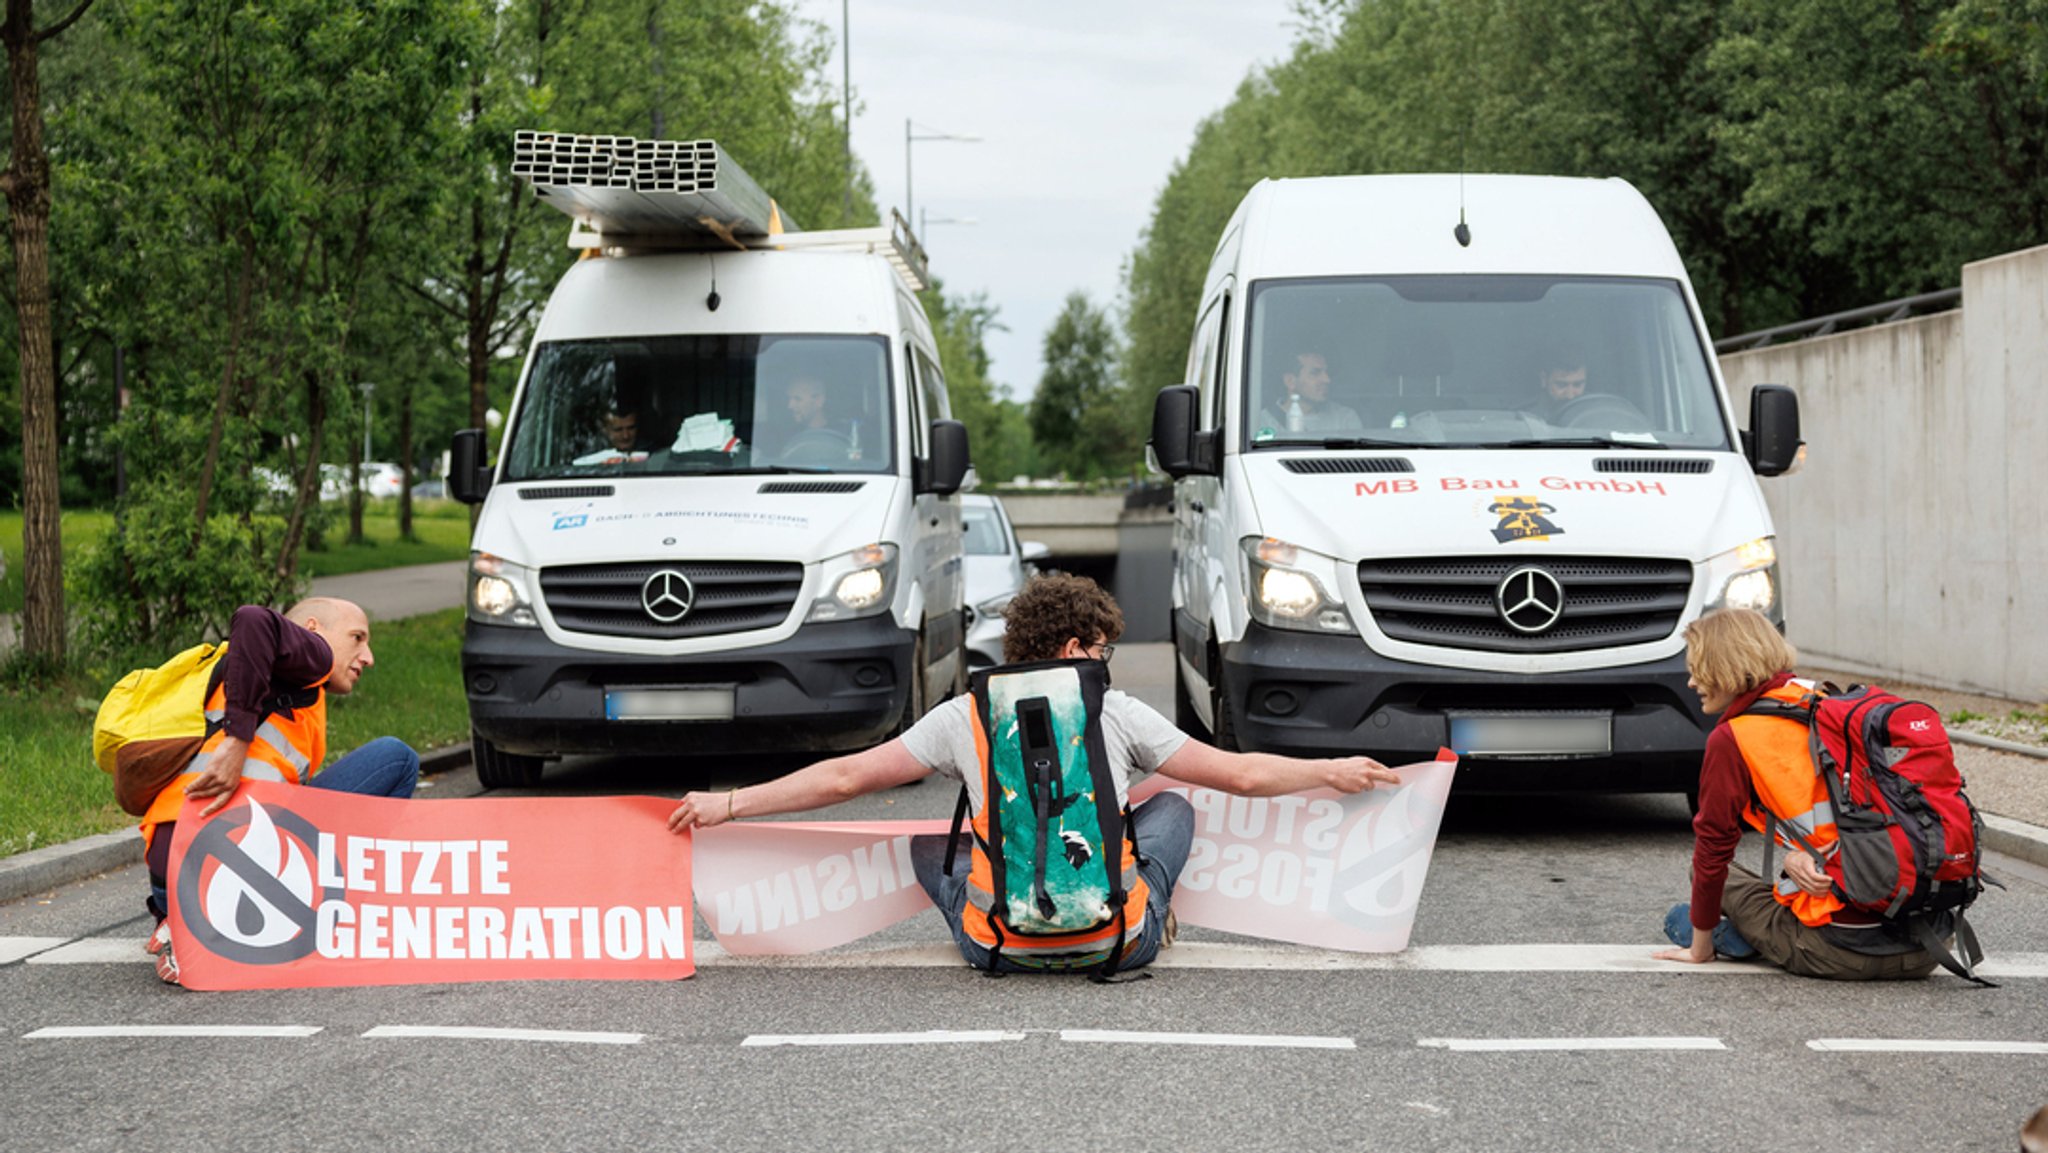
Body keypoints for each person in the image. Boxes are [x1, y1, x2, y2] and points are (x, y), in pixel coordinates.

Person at [668, 573, 1401, 974]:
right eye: (1104, 649)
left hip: (994, 942)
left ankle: (1000, 893)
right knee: (1172, 806)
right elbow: (1237, 777)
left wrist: (728, 803)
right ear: (1079, 645)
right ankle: (1149, 900)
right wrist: (1329, 768)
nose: (1106, 662)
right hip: (1119, 940)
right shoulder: (1115, 709)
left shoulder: (966, 714)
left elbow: (844, 779)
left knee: (931, 847)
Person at [139, 597, 419, 985]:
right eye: (356, 638)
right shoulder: (311, 655)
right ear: (313, 629)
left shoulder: (256, 676)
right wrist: (238, 740)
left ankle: (180, 923)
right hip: (219, 860)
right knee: (398, 759)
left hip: (171, 872)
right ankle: (335, 919)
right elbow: (252, 618)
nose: (367, 656)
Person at [1652, 607, 1942, 978]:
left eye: (1698, 669)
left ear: (1725, 667)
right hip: (1928, 946)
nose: (1692, 683)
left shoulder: (1735, 737)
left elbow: (1713, 850)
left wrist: (1699, 949)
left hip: (1840, 952)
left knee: (1692, 903)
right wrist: (1795, 856)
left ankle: (1734, 939)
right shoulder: (1827, 701)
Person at [1256, 350, 1363, 436]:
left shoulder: (1344, 418)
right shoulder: (1263, 422)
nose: (1327, 379)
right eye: (1315, 373)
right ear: (1290, 381)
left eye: (1326, 372)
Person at [1534, 340, 1589, 421]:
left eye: (1577, 385)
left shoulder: (1599, 412)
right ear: (1544, 379)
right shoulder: (1529, 419)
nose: (1570, 396)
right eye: (1562, 385)